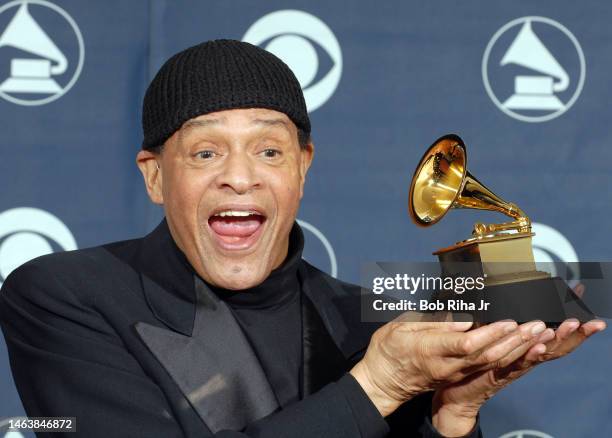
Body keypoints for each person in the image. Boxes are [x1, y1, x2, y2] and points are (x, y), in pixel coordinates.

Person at [0, 39, 605, 438]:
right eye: (206, 151)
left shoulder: (363, 318)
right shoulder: (61, 295)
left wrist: (455, 413)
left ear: (303, 167)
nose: (240, 176)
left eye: (268, 150)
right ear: (155, 176)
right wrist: (378, 386)